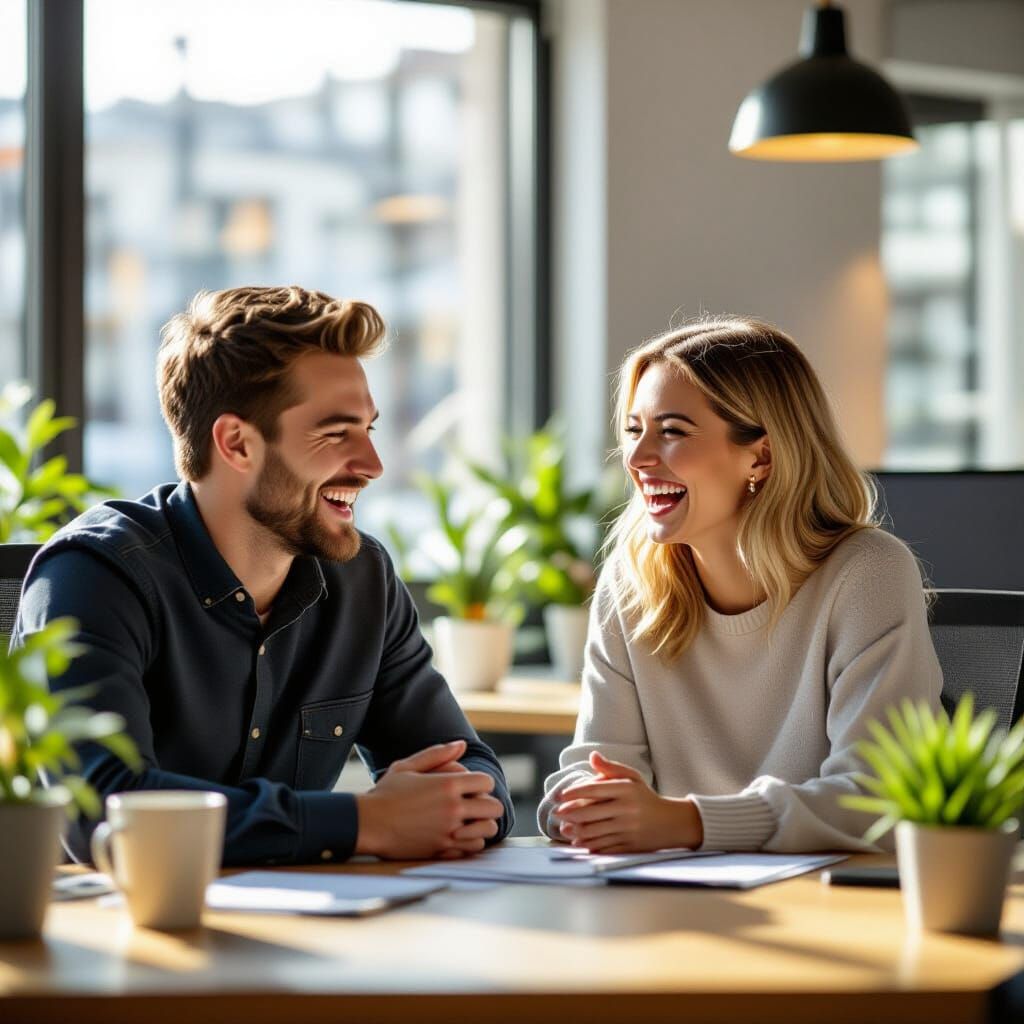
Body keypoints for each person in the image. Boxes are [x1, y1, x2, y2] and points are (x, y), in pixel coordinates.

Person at [14, 285, 513, 866]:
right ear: (236, 443)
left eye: (369, 430)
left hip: (311, 936)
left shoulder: (363, 580)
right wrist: (363, 821)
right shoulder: (93, 575)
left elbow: (470, 769)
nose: (373, 466)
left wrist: (457, 803)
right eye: (335, 433)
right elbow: (100, 810)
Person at [538, 316, 942, 854]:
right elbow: (591, 766)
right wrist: (586, 802)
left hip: (829, 910)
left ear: (761, 456)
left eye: (673, 431)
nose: (636, 460)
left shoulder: (867, 572)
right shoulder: (631, 580)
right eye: (635, 430)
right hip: (667, 903)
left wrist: (689, 823)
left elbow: (878, 800)